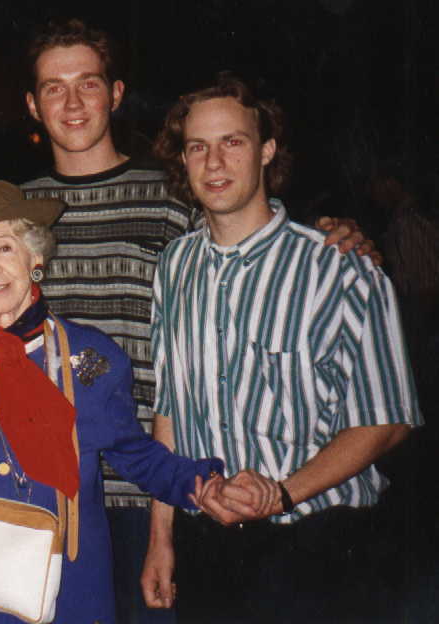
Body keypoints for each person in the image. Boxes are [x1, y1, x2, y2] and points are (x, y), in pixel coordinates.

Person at [18, 18, 380, 621]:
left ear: (116, 93)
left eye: (89, 82)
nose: (74, 102)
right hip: (48, 485)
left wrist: (333, 236)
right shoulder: (15, 208)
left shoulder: (176, 195)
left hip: (154, 488)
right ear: (32, 104)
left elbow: (248, 243)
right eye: (54, 87)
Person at [142, 73, 422, 622]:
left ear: (267, 150)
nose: (214, 162)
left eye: (234, 142)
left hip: (317, 549)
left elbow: (388, 421)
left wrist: (282, 492)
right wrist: (161, 536)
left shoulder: (340, 267)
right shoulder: (174, 266)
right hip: (207, 547)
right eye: (198, 146)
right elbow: (169, 408)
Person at [0, 178, 224, 624]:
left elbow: (136, 456)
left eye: (4, 248)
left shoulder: (90, 357)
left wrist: (204, 485)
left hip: (64, 595)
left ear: (35, 257)